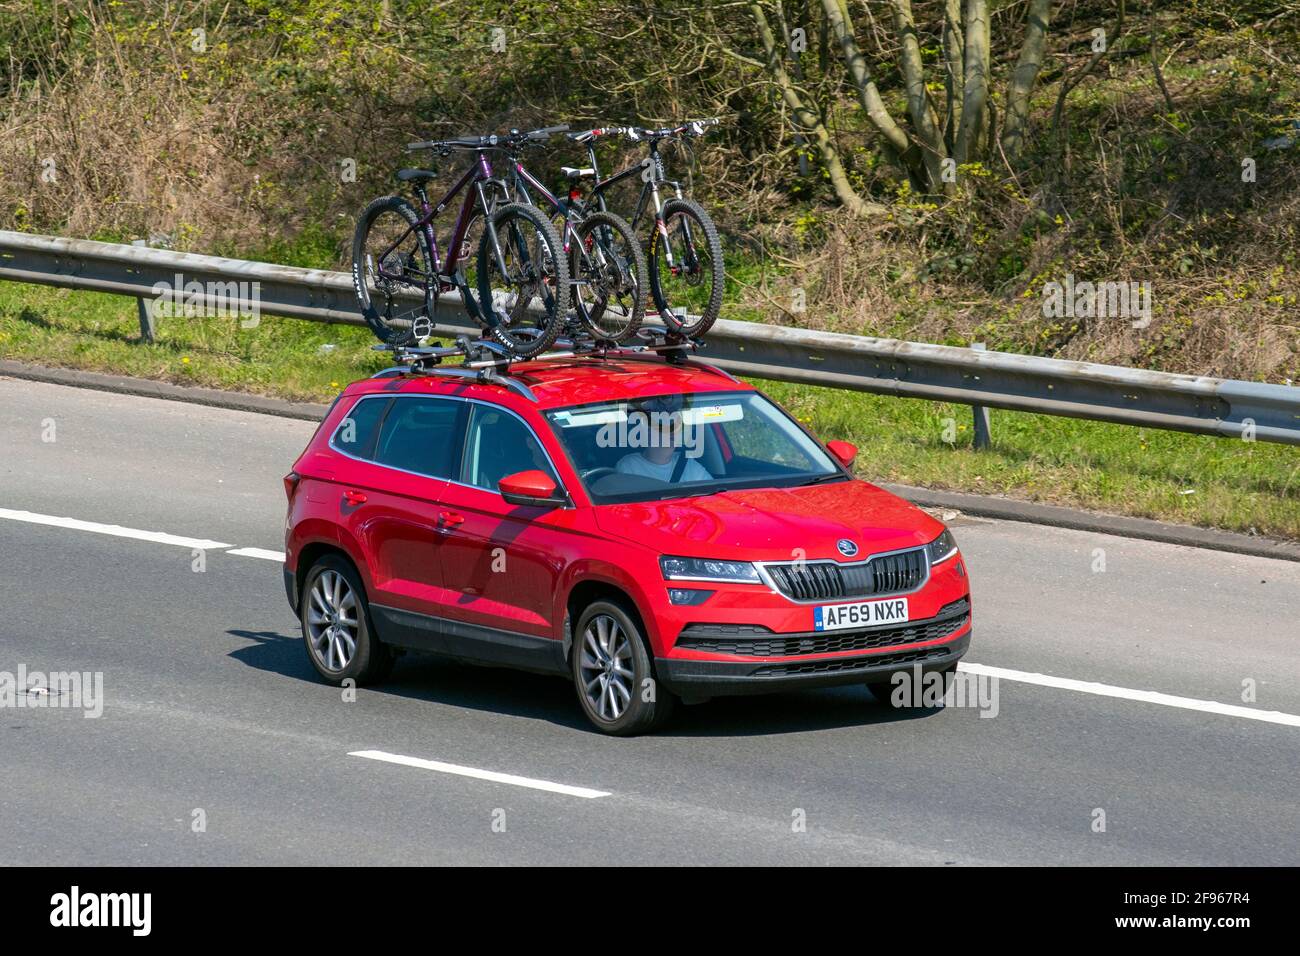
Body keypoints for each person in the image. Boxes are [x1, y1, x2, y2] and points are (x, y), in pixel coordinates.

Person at [615, 394, 712, 483]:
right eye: (665, 424)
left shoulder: (689, 465)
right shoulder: (629, 467)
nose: (673, 431)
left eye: (676, 426)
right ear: (648, 431)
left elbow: (714, 495)